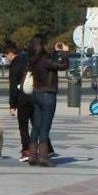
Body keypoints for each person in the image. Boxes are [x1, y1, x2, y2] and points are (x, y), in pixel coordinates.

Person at [23, 36, 70, 167]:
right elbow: (63, 65)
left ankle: (32, 155)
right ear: (42, 46)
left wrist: (56, 52)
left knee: (36, 126)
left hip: (36, 94)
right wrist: (65, 53)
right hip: (48, 95)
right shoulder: (44, 61)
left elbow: (50, 63)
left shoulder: (33, 60)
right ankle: (43, 156)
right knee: (45, 127)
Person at [4, 40, 35, 161]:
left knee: (23, 126)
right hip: (35, 96)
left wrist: (12, 105)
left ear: (11, 54)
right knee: (36, 124)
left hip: (23, 99)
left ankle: (26, 150)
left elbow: (13, 87)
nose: (6, 58)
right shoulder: (28, 60)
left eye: (6, 55)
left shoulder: (14, 66)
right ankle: (46, 148)